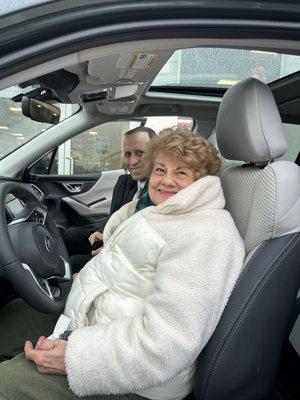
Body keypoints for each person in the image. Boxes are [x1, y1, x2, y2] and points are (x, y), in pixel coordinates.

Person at [0, 128, 245, 400]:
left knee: (6, 383)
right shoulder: (167, 213)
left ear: (201, 180)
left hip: (134, 379)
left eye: (181, 173)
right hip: (95, 325)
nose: (166, 181)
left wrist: (73, 358)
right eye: (160, 170)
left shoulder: (206, 236)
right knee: (13, 316)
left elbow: (167, 342)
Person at [64, 126, 156, 270]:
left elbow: (144, 241)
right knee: (70, 235)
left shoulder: (158, 192)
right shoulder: (124, 182)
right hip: (112, 237)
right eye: (127, 154)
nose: (132, 161)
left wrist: (109, 250)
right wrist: (101, 231)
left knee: (73, 263)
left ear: (155, 154)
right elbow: (113, 216)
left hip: (127, 253)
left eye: (140, 153)